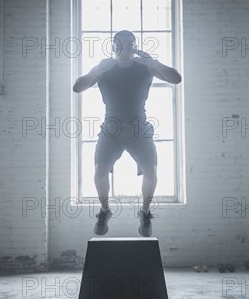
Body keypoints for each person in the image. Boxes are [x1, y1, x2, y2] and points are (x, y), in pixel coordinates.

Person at [72, 30, 182, 237]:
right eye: (120, 46)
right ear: (113, 48)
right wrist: (96, 70)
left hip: (139, 129)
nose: (125, 50)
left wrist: (154, 63)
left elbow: (176, 79)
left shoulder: (145, 67)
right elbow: (77, 88)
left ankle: (145, 212)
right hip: (111, 129)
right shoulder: (105, 67)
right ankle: (105, 210)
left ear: (135, 46)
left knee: (151, 173)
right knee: (99, 172)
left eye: (129, 45)